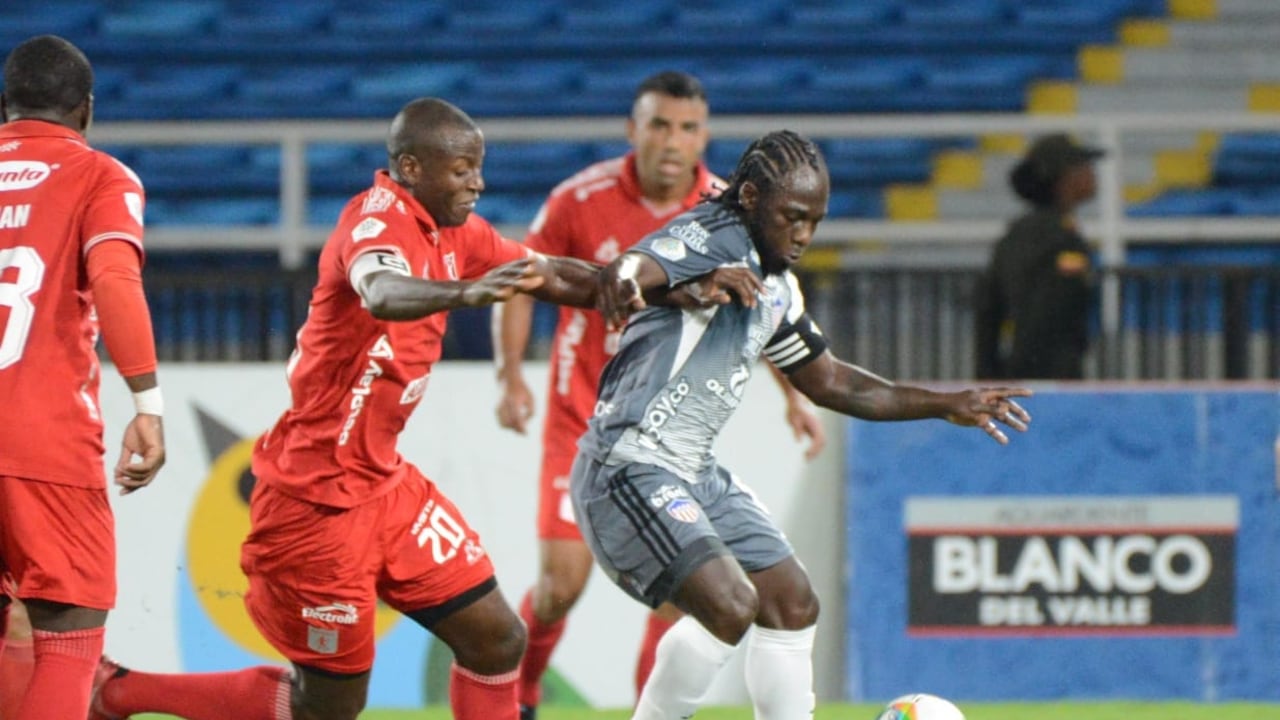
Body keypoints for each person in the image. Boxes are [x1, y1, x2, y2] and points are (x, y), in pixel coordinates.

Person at [86, 97, 744, 720]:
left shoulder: (459, 231)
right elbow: (381, 290)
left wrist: (666, 290)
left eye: (479, 169)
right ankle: (118, 692)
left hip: (384, 488)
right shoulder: (374, 220)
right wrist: (462, 295)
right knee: (330, 706)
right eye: (462, 170)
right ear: (411, 168)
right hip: (313, 507)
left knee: (496, 640)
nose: (477, 184)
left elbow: (551, 274)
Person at [578, 130, 1034, 720]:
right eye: (792, 217)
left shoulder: (777, 289)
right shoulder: (709, 237)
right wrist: (684, 284)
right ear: (748, 198)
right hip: (628, 464)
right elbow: (630, 271)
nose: (802, 235)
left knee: (791, 603)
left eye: (815, 221)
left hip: (692, 470)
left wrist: (946, 402)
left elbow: (833, 383)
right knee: (730, 605)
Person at [491, 70, 826, 716]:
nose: (673, 141)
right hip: (585, 415)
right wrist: (511, 375)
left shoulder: (738, 208)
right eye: (660, 125)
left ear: (705, 136)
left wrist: (795, 396)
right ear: (633, 130)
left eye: (688, 128)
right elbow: (527, 278)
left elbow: (767, 308)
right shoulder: (578, 199)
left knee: (693, 594)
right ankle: (520, 693)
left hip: (669, 435)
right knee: (561, 586)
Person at [0, 34, 167, 719]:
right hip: (43, 444)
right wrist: (147, 403)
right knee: (67, 643)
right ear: (87, 110)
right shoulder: (101, 176)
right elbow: (116, 279)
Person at [975, 132, 1103, 380]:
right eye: (1083, 166)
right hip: (1050, 374)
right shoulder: (1060, 238)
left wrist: (988, 374)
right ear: (1064, 177)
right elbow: (1048, 313)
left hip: (1018, 370)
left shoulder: (1017, 232)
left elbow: (988, 308)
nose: (1091, 173)